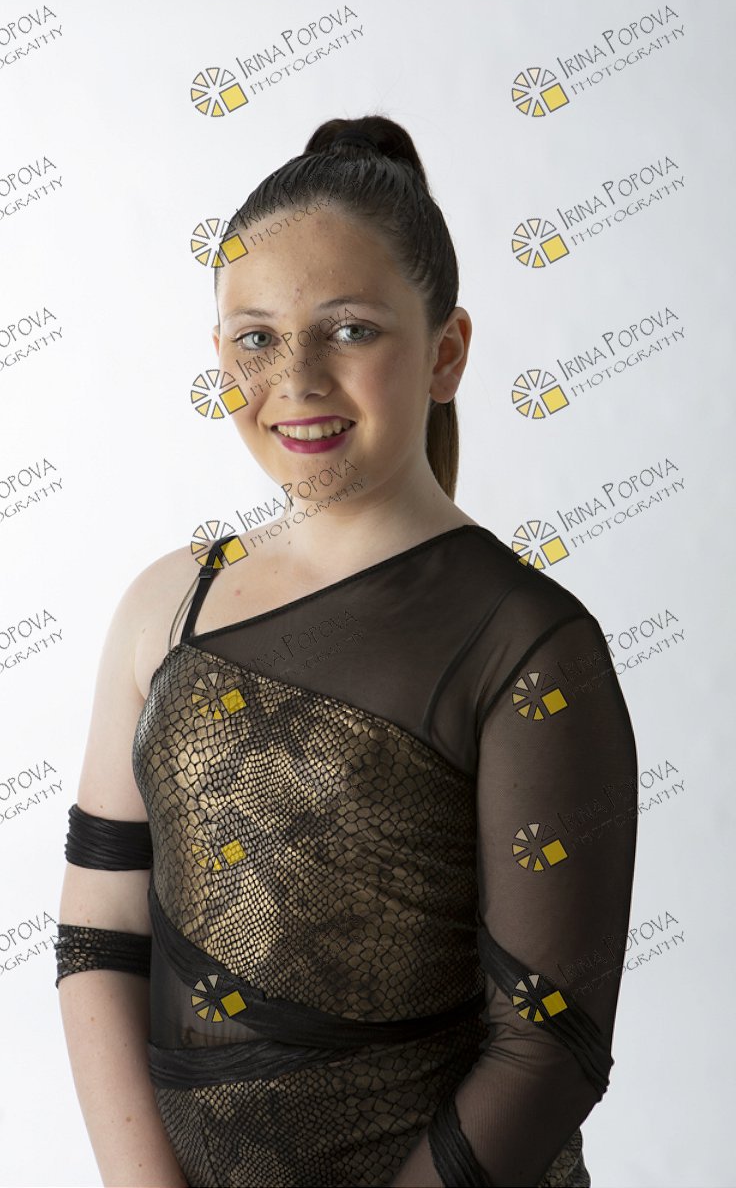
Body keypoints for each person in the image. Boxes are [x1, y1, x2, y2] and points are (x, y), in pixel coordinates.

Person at [56, 114, 639, 1188]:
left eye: (351, 329)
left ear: (446, 351)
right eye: (255, 338)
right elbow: (99, 933)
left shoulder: (528, 646)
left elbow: (548, 1043)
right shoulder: (165, 606)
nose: (297, 377)